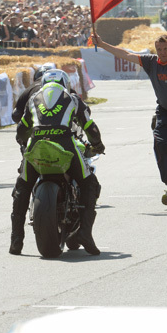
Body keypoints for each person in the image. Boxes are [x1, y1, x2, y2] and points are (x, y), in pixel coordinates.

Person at [91, 27, 167, 207]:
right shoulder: (151, 62)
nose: (162, 53)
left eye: (166, 49)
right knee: (161, 145)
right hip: (164, 112)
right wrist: (101, 44)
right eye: (159, 49)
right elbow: (125, 54)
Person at [11, 70, 105, 256]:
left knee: (22, 188)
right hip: (66, 146)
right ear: (66, 84)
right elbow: (90, 127)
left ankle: (16, 241)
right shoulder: (73, 99)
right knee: (90, 184)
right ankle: (85, 233)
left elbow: (21, 130)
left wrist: (24, 145)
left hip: (37, 146)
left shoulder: (33, 99)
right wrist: (97, 145)